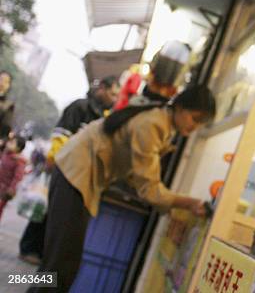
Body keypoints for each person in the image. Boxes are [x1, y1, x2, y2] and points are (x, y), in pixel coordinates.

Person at [29, 83, 215, 292]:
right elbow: (150, 190)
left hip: (76, 174)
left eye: (202, 123)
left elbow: (140, 179)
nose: (195, 127)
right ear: (181, 107)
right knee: (61, 267)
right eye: (195, 119)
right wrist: (190, 203)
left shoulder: (160, 121)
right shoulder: (153, 124)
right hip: (76, 173)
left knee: (57, 265)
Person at [19, 76, 119, 265]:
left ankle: (41, 254)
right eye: (112, 93)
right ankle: (29, 248)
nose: (114, 98)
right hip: (63, 168)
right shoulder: (80, 107)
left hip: (78, 174)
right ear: (102, 89)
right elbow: (61, 135)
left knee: (55, 216)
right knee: (46, 211)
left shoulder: (103, 117)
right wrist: (55, 160)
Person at [0, 135, 27, 222]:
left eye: (12, 143)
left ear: (18, 148)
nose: (9, 143)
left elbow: (18, 177)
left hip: (5, 190)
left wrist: (11, 189)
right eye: (9, 141)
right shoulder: (5, 153)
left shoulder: (19, 160)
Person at [0, 70, 15, 147]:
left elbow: (5, 129)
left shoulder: (8, 105)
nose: (2, 83)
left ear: (9, 86)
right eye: (1, 79)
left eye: (6, 81)